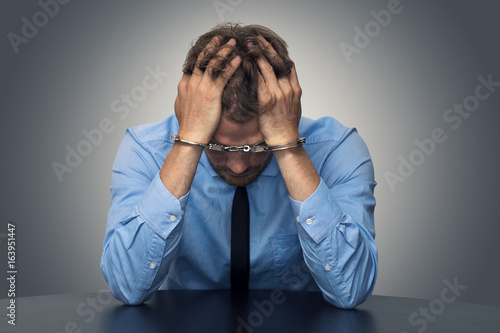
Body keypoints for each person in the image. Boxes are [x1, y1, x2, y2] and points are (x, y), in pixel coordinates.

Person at [100, 23, 378, 309]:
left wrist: (287, 147)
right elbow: (128, 286)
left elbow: (351, 290)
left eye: (258, 147)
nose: (237, 166)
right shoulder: (146, 150)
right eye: (218, 146)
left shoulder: (336, 149)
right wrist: (190, 142)